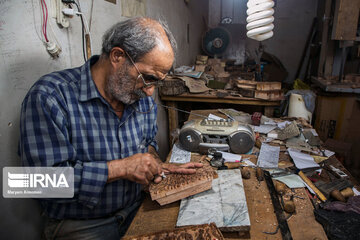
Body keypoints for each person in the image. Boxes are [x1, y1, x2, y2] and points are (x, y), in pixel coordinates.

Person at [19, 17, 202, 239]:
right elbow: (32, 184)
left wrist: (154, 161)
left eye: (157, 82)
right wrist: (119, 169)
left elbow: (148, 143)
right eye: (148, 78)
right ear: (117, 56)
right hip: (82, 225)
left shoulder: (139, 95)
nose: (150, 92)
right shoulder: (50, 96)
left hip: (137, 208)